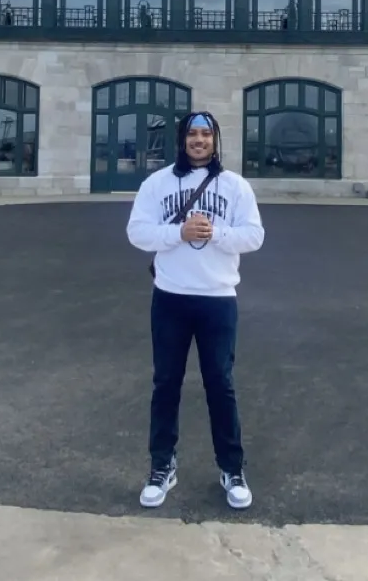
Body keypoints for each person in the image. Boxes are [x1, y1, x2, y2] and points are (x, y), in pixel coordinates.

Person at [126, 109, 264, 512]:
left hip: (218, 298)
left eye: (206, 134)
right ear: (181, 140)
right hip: (170, 297)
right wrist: (178, 233)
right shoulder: (157, 183)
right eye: (192, 134)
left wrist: (215, 233)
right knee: (165, 384)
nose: (199, 141)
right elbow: (137, 231)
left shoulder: (236, 186)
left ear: (215, 140)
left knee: (220, 385)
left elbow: (255, 235)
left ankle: (232, 468)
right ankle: (161, 466)